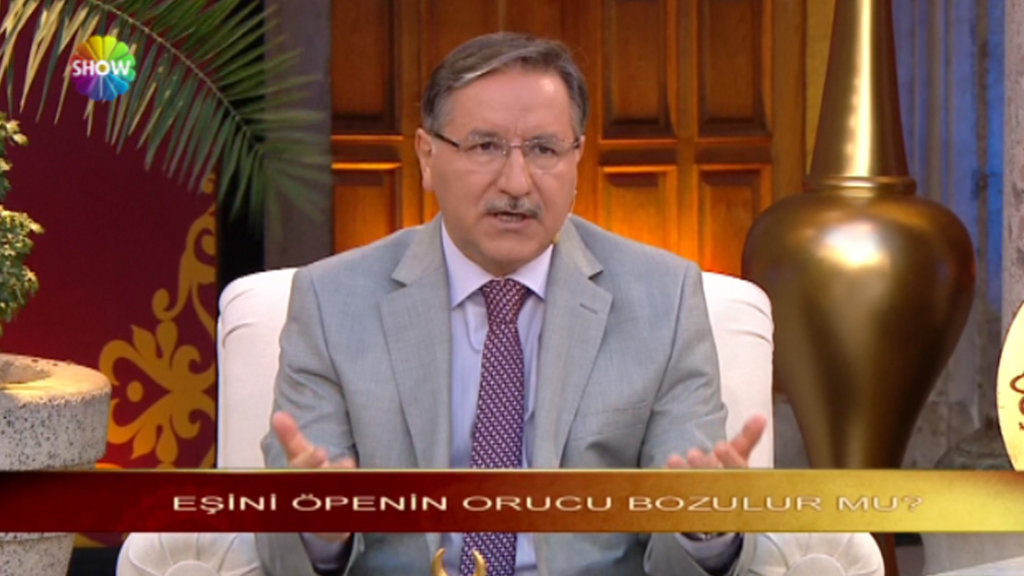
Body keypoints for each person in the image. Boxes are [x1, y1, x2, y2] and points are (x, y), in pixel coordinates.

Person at [259, 31, 766, 576]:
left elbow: (683, 542)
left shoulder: (663, 298)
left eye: (544, 150)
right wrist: (317, 529)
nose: (517, 183)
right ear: (428, 157)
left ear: (577, 158)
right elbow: (282, 553)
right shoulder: (332, 302)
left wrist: (705, 527)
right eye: (485, 147)